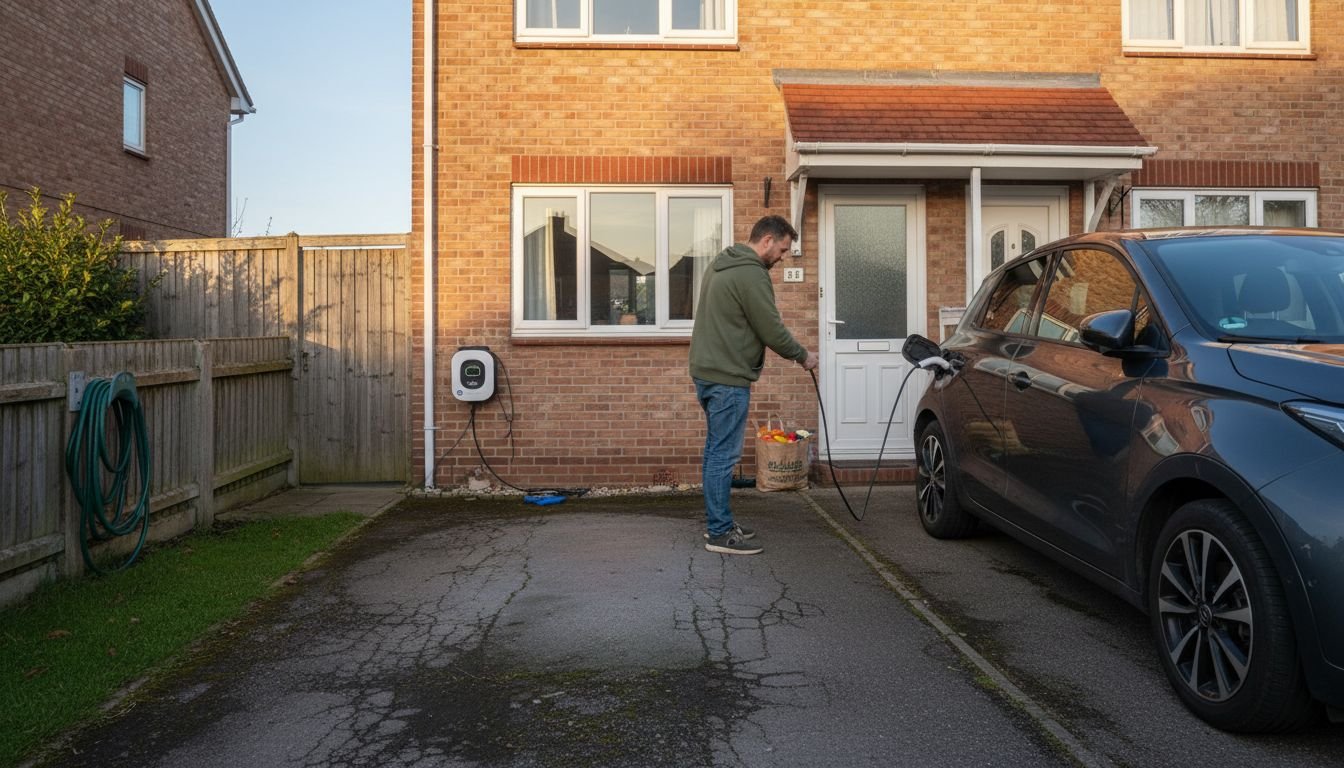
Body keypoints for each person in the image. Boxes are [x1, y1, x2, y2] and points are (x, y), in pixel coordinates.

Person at [689, 215, 818, 555]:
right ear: (767, 241)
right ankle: (719, 533)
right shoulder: (751, 273)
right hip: (727, 377)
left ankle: (720, 522)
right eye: (783, 250)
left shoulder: (723, 264)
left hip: (707, 371)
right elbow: (771, 329)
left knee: (714, 452)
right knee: (722, 456)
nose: (783, 257)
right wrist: (803, 356)